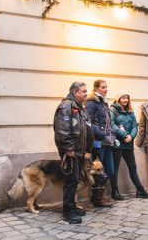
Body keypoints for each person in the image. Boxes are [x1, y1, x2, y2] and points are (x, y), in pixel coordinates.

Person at [54, 81, 93, 224]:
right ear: (75, 92)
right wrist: (69, 149)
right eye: (83, 91)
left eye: (86, 91)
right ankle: (68, 211)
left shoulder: (79, 107)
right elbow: (63, 130)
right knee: (71, 181)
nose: (86, 94)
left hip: (79, 152)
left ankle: (72, 206)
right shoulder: (66, 107)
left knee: (75, 180)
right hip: (71, 152)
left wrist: (87, 150)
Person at [110, 91, 148, 200]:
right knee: (115, 169)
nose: (125, 100)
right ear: (118, 99)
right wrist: (124, 135)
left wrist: (131, 136)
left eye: (127, 98)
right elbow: (112, 124)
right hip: (118, 144)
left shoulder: (130, 111)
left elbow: (135, 126)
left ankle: (140, 190)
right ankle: (114, 192)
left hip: (128, 144)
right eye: (123, 98)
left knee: (133, 167)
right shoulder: (113, 109)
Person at [85, 80, 113, 207]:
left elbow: (107, 122)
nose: (106, 89)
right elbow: (88, 121)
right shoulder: (92, 102)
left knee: (107, 170)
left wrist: (112, 134)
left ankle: (99, 196)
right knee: (98, 171)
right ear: (96, 89)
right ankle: (98, 198)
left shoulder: (103, 102)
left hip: (106, 140)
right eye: (103, 87)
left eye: (106, 87)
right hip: (97, 141)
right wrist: (100, 134)